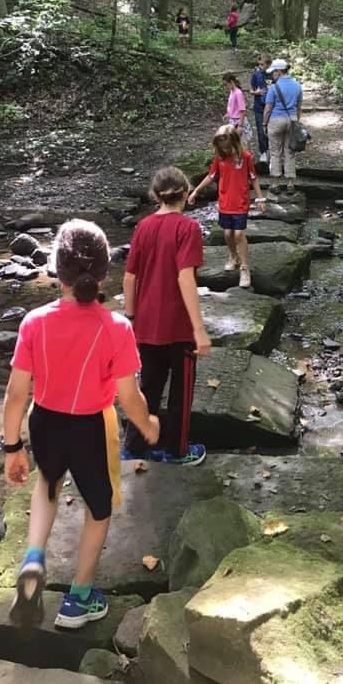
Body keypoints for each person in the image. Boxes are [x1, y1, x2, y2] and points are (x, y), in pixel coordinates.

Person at [3, 219, 159, 630]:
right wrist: (147, 425)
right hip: (90, 428)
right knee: (99, 508)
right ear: (104, 273)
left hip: (44, 422)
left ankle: (33, 557)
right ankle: (79, 598)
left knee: (47, 485)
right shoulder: (116, 328)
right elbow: (129, 397)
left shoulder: (34, 322)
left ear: (58, 271)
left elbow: (16, 394)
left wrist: (12, 447)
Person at [122, 166, 211, 466]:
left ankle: (134, 447)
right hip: (179, 326)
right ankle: (177, 450)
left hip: (146, 323)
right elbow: (185, 277)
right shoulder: (188, 228)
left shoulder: (143, 227)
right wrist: (198, 328)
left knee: (147, 387)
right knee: (180, 392)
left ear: (156, 196)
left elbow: (129, 278)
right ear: (185, 193)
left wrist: (131, 317)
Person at [188, 125, 266, 289]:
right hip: (225, 201)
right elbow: (211, 176)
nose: (225, 150)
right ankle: (233, 256)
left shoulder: (245, 157)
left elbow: (253, 178)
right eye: (222, 147)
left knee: (238, 233)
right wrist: (196, 191)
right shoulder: (219, 158)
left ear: (235, 143)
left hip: (240, 201)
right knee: (227, 233)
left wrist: (260, 198)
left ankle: (245, 268)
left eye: (228, 147)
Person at [263, 58, 303, 195]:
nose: (272, 75)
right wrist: (296, 121)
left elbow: (268, 108)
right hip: (292, 120)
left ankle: (275, 183)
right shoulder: (297, 85)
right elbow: (299, 107)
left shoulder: (274, 88)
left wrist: (264, 123)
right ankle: (290, 184)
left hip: (276, 120)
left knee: (275, 152)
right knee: (290, 151)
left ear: (279, 72)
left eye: (273, 72)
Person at [250, 54, 271, 164]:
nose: (260, 66)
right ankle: (263, 152)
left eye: (262, 64)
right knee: (260, 130)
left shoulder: (273, 74)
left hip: (271, 107)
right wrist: (256, 92)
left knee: (271, 130)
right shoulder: (256, 75)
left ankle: (271, 151)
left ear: (268, 64)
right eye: (259, 64)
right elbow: (251, 90)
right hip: (259, 107)